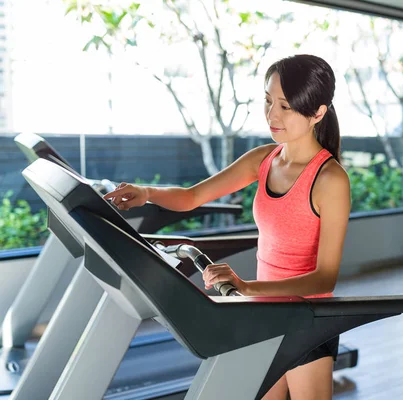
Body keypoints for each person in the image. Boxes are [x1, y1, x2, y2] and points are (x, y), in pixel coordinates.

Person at [103, 54, 351, 400]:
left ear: (318, 113)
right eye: (267, 101)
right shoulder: (264, 159)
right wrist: (145, 193)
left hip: (306, 321)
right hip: (263, 314)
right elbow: (192, 197)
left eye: (285, 106)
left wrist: (246, 286)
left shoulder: (330, 180)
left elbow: (325, 278)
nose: (272, 114)